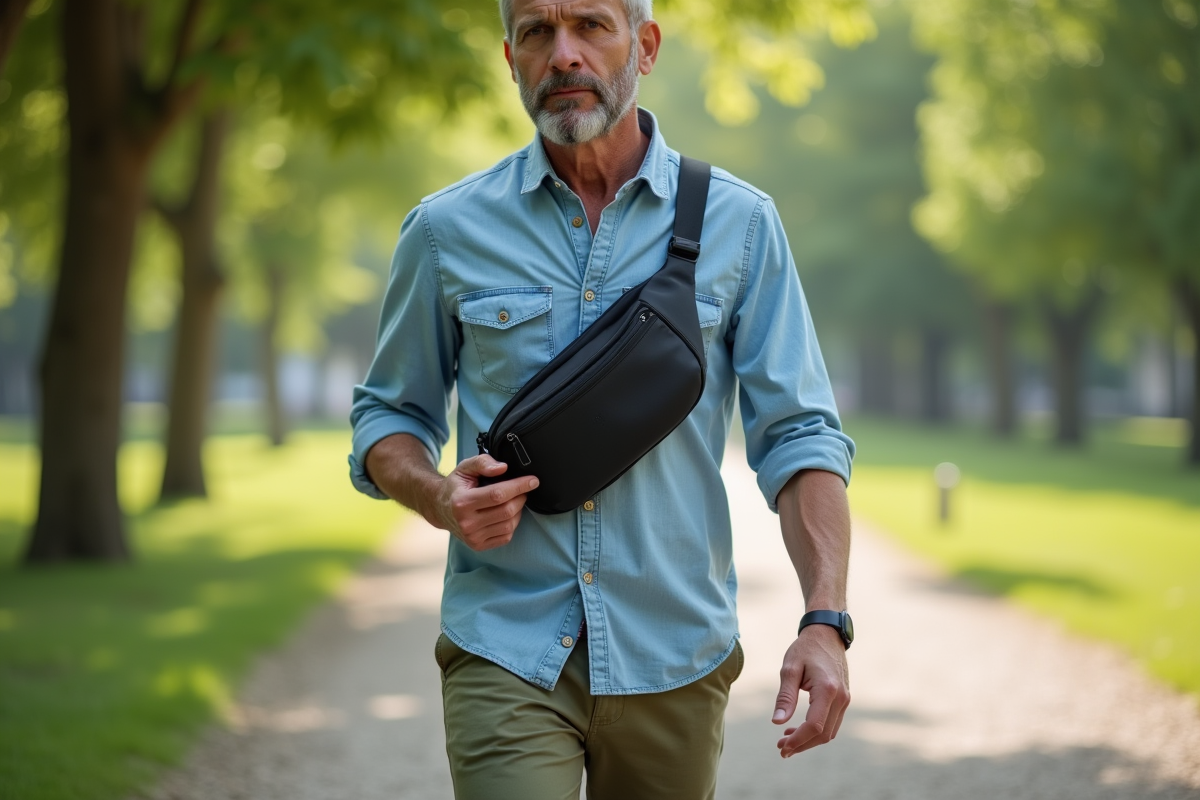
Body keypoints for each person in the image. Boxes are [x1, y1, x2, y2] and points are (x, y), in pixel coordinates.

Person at [348, 0, 856, 796]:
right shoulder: (445, 231)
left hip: (676, 653)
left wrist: (824, 621)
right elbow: (388, 415)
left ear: (645, 47)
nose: (564, 56)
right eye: (537, 34)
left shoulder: (742, 225)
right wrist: (440, 496)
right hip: (505, 649)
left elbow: (801, 438)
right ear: (509, 59)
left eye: (591, 25)